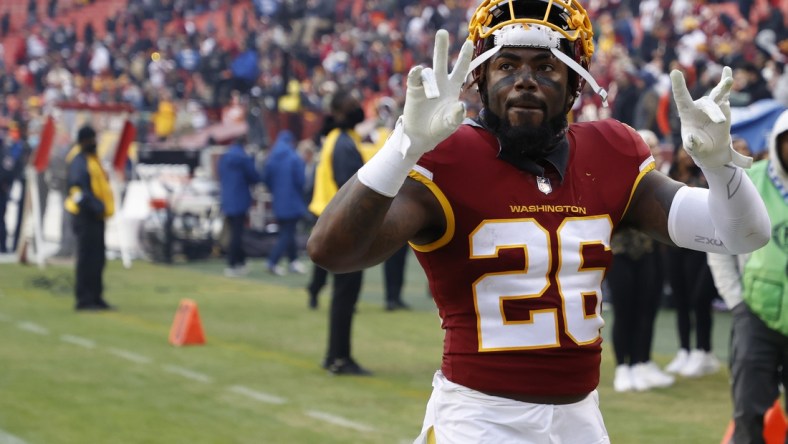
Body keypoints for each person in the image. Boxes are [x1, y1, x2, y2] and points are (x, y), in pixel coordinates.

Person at [306, 0, 771, 441]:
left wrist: (718, 165)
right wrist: (404, 145)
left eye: (546, 67)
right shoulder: (444, 156)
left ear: (575, 85)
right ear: (481, 78)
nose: (525, 80)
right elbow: (331, 251)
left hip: (581, 421)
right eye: (507, 65)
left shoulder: (610, 151)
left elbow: (743, 234)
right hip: (478, 420)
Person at [708, 109, 788, 444]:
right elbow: (718, 243)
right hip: (756, 315)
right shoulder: (749, 182)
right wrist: (737, 303)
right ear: (778, 142)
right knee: (748, 411)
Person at [308, 88, 370, 375]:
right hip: (342, 227)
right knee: (346, 295)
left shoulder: (336, 139)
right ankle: (339, 358)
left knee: (342, 295)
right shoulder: (343, 143)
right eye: (354, 105)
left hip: (329, 222)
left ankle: (335, 354)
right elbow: (352, 187)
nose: (359, 109)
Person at [609, 129, 674, 392]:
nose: (654, 151)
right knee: (624, 311)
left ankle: (641, 362)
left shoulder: (659, 180)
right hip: (621, 252)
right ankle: (623, 367)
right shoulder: (615, 178)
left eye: (656, 146)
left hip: (650, 252)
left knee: (647, 310)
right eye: (649, 145)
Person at [663, 147, 723, 378]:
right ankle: (684, 350)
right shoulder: (669, 175)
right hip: (674, 245)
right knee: (680, 300)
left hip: (699, 246)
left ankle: (703, 350)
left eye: (690, 152)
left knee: (699, 299)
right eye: (683, 152)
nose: (686, 156)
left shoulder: (704, 176)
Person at [64, 125, 115, 311]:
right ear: (85, 141)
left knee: (98, 258)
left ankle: (96, 296)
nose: (95, 143)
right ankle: (84, 299)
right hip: (85, 216)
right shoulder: (78, 161)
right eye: (92, 139)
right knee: (87, 259)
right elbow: (76, 191)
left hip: (96, 217)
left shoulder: (92, 159)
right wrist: (94, 206)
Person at [262, 129, 307, 276]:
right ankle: (272, 261)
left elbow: (266, 179)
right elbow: (301, 181)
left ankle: (293, 261)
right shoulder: (294, 157)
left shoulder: (271, 157)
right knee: (287, 233)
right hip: (292, 201)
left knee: (288, 232)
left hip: (278, 201)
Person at [218, 136, 262, 277]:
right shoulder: (243, 158)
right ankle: (233, 263)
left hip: (227, 200)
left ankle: (240, 261)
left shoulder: (224, 158)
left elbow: (220, 175)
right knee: (237, 235)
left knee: (234, 233)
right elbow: (254, 176)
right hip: (240, 200)